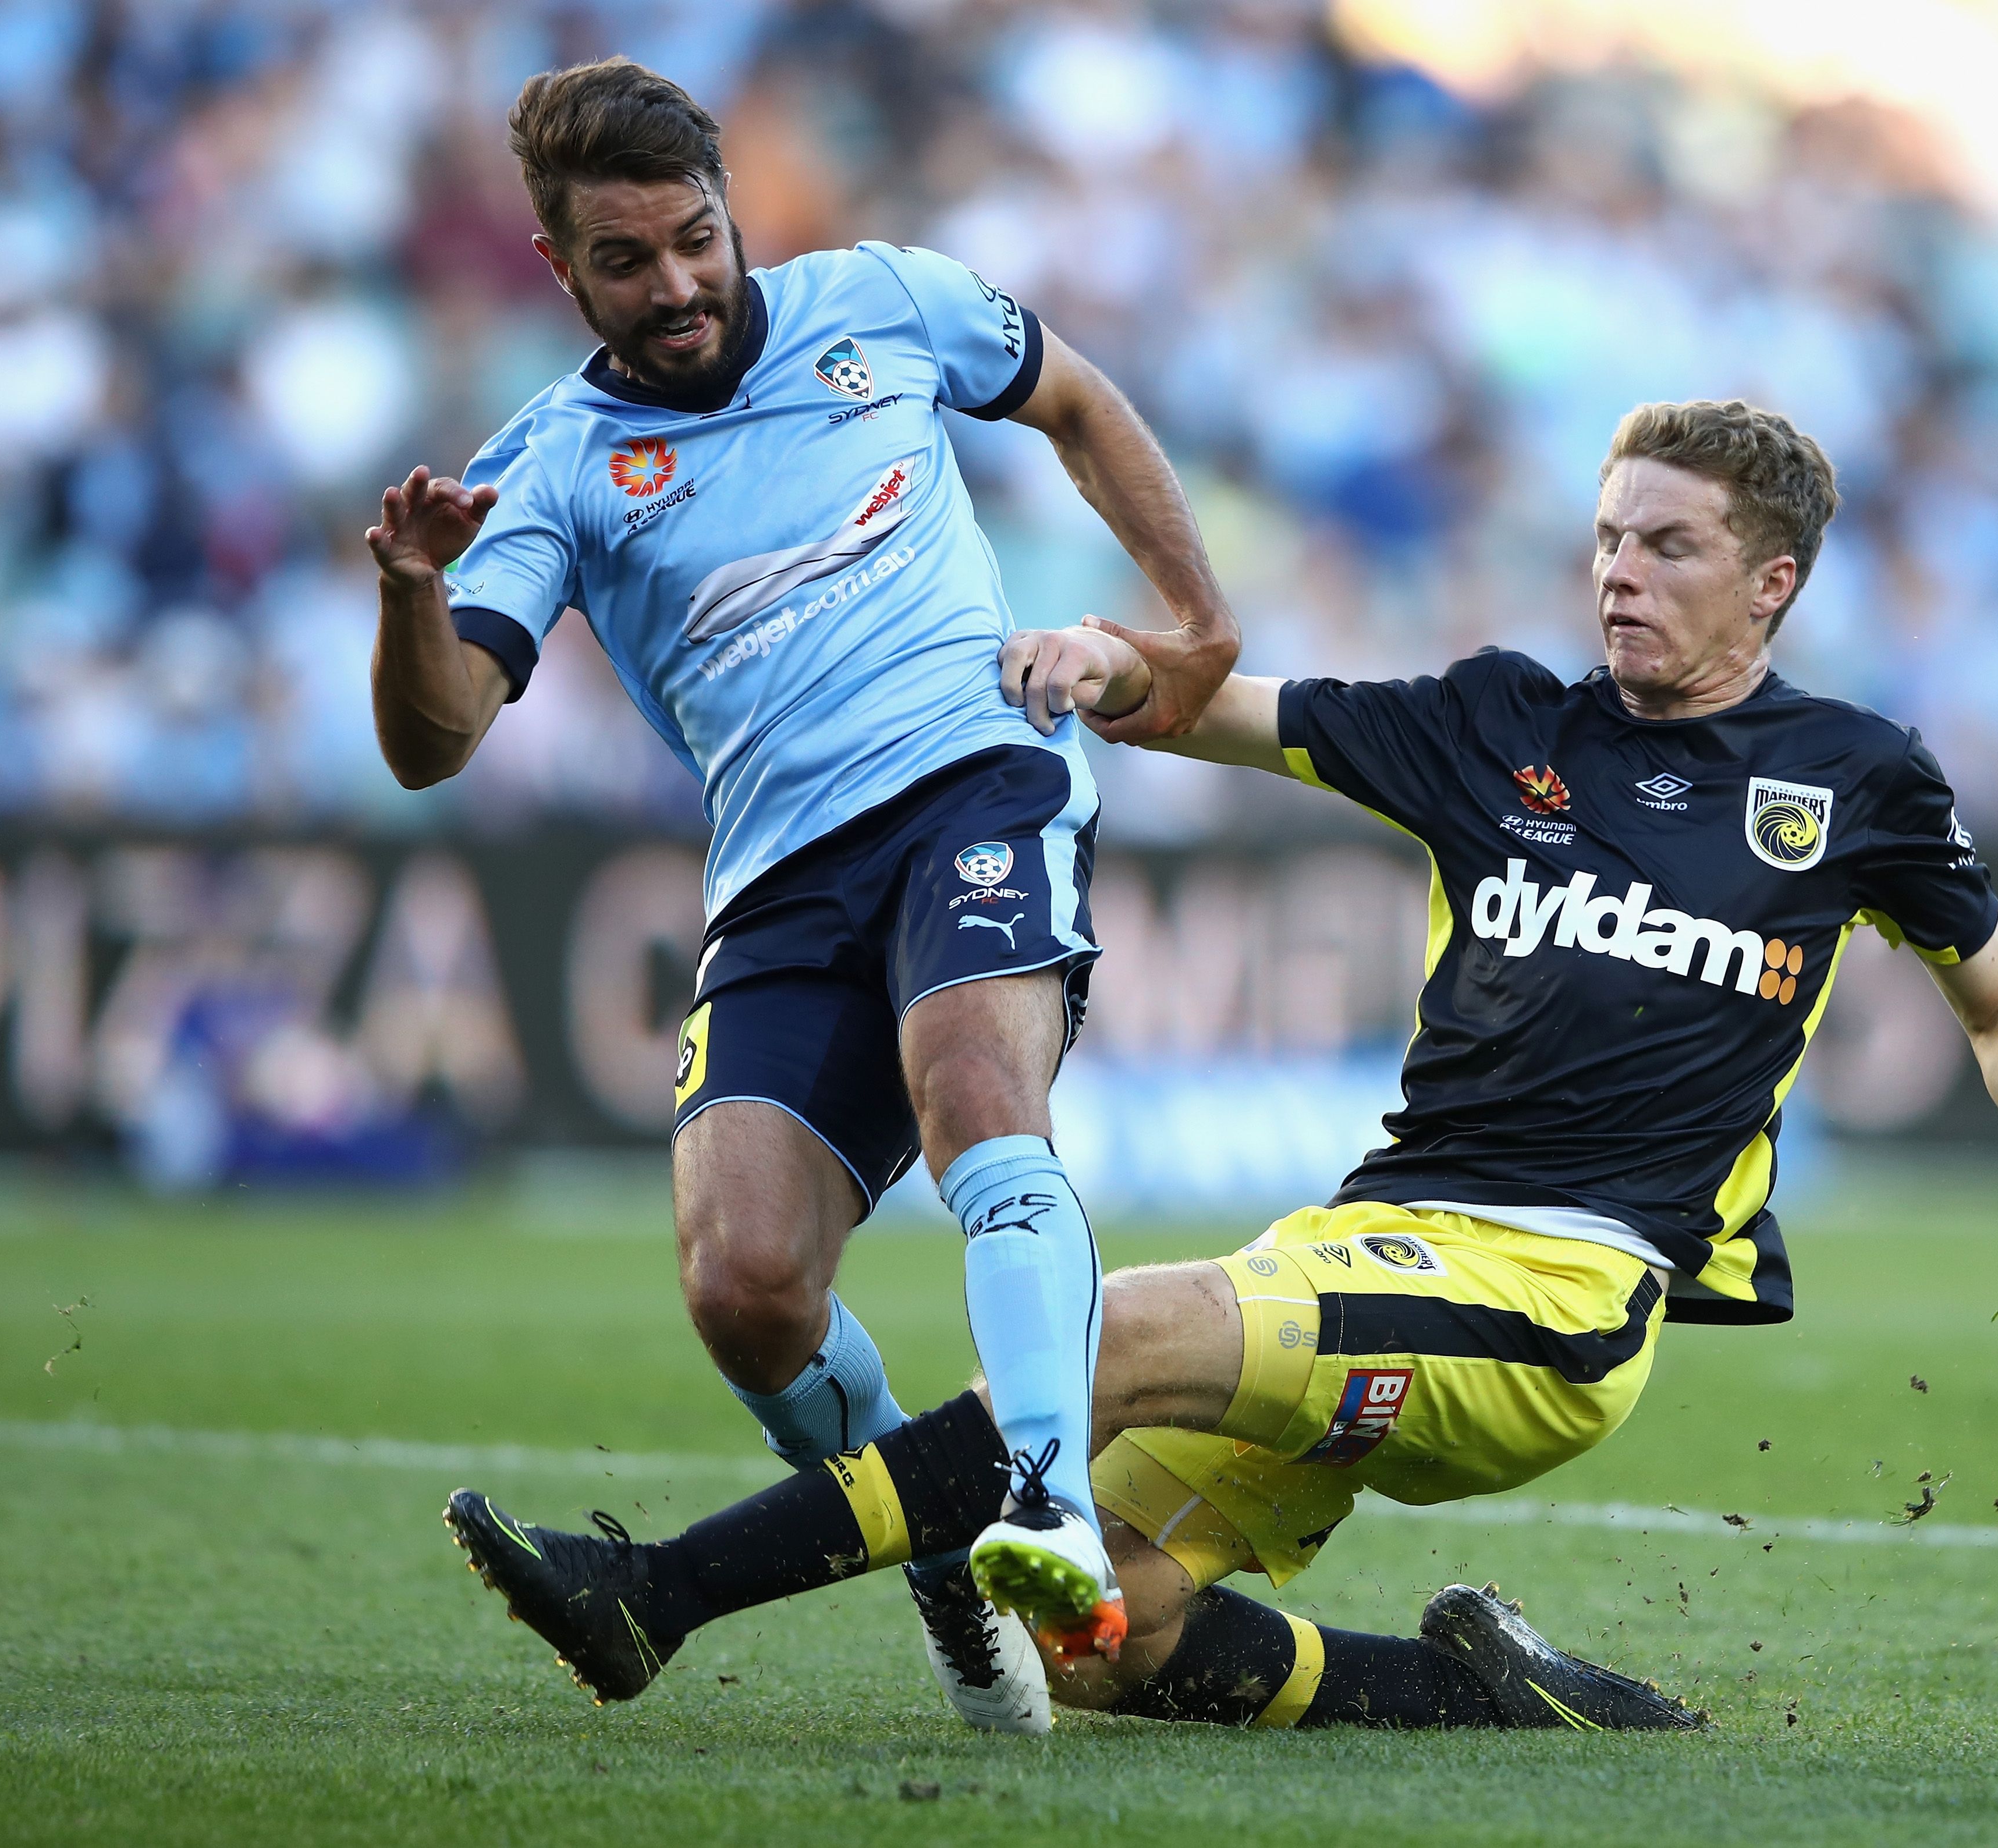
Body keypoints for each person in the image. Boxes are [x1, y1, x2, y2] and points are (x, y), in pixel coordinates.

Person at [445, 398, 1998, 1732]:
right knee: (1105, 1636)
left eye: (1667, 547)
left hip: (1560, 1296)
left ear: (1770, 582)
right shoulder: (1504, 724)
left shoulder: (1855, 779)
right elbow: (1230, 709)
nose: (1618, 572)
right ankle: (1487, 1696)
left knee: (1102, 1331)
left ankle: (651, 1594)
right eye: (1605, 538)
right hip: (1372, 1243)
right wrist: (1113, 660)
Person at [371, 58, 1237, 1730]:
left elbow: (1075, 397)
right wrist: (413, 596)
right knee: (745, 1288)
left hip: (976, 774)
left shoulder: (886, 305)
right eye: (627, 262)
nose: (678, 284)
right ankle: (933, 1536)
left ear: (730, 209)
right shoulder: (549, 465)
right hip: (778, 873)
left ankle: (1047, 1510)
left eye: (696, 238)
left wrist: (1194, 623)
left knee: (985, 1109)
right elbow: (436, 739)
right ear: (561, 269)